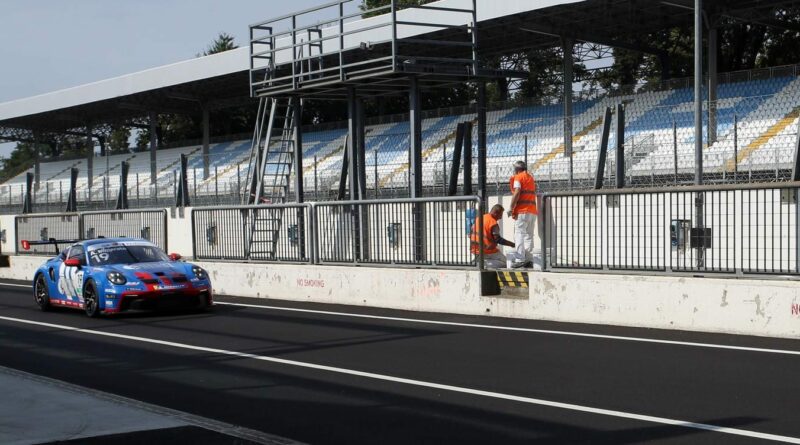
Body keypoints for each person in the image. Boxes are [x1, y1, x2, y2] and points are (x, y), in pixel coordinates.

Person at [507, 160, 537, 268]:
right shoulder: (530, 178)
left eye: (514, 169)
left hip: (522, 211)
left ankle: (520, 258)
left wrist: (511, 208)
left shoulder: (518, 178)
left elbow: (517, 192)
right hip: (532, 211)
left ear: (517, 169)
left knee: (519, 234)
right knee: (529, 235)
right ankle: (528, 259)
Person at [470, 204, 515, 269]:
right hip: (488, 250)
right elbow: (498, 240)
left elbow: (471, 231)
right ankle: (483, 264)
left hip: (475, 249)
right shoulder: (492, 222)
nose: (500, 218)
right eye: (500, 215)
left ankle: (479, 261)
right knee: (507, 263)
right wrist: (512, 244)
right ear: (495, 213)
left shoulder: (479, 218)